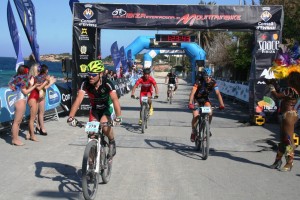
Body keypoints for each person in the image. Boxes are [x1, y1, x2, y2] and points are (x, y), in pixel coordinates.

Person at [67, 60, 122, 159]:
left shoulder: (107, 83)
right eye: (89, 73)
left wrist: (118, 117)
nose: (90, 76)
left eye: (93, 74)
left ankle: (112, 141)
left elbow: (114, 99)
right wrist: (71, 117)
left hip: (107, 108)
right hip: (95, 110)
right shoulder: (85, 83)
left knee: (104, 125)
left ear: (100, 74)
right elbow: (79, 99)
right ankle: (91, 163)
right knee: (91, 134)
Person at [267, 69, 300, 172]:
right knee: (283, 140)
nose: (287, 79)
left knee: (288, 140)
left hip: (288, 116)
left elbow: (277, 96)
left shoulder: (290, 90)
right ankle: (278, 160)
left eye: (289, 78)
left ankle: (289, 162)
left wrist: (271, 86)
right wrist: (274, 83)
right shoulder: (293, 90)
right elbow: (280, 93)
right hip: (287, 115)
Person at [188, 67, 225, 142]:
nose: (208, 79)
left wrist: (222, 104)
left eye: (210, 77)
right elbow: (192, 92)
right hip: (196, 100)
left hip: (205, 99)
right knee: (195, 115)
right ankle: (193, 131)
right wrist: (190, 103)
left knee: (210, 112)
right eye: (206, 77)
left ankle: (207, 128)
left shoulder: (213, 82)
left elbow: (218, 93)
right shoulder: (198, 81)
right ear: (203, 76)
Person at [9, 65, 40, 146]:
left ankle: (15, 138)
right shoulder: (22, 79)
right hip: (20, 101)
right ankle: (14, 139)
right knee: (17, 122)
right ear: (25, 71)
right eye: (28, 70)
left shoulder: (18, 78)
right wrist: (34, 86)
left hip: (20, 100)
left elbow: (24, 89)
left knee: (18, 121)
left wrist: (31, 84)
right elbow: (25, 92)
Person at [27, 63, 50, 142]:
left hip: (36, 97)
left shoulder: (37, 78)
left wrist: (48, 82)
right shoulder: (34, 78)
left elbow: (41, 87)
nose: (39, 70)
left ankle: (31, 133)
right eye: (38, 69)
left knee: (34, 117)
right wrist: (46, 82)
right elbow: (38, 88)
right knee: (32, 118)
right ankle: (31, 134)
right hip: (33, 97)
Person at [36, 64, 56, 136]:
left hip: (36, 95)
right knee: (41, 112)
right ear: (45, 70)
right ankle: (42, 128)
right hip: (41, 96)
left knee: (38, 112)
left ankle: (38, 126)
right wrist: (51, 82)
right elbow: (43, 87)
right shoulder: (44, 78)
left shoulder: (37, 77)